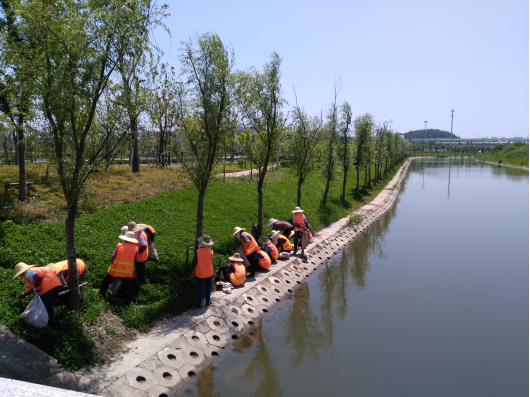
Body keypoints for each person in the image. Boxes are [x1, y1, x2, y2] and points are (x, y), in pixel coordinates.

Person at [99, 231, 139, 303]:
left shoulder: (119, 245)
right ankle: (127, 302)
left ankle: (101, 296)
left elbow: (112, 258)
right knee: (127, 287)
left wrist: (113, 264)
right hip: (127, 272)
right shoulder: (136, 248)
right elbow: (136, 261)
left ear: (125, 238)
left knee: (105, 282)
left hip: (115, 270)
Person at [194, 234, 214, 308]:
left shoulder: (198, 251)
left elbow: (196, 261)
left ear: (201, 243)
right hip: (209, 271)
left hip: (200, 271)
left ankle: (199, 303)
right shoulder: (211, 251)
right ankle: (208, 301)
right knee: (208, 286)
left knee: (199, 286)